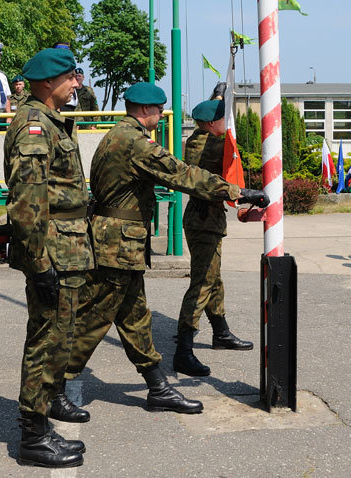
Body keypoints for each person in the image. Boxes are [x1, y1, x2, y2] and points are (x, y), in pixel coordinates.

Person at [61, 82, 269, 415]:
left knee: (135, 319)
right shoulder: (135, 143)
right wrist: (239, 192)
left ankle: (158, 387)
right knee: (94, 320)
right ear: (145, 110)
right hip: (117, 244)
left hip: (117, 242)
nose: (160, 116)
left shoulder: (115, 135)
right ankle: (52, 388)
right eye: (158, 110)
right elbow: (181, 174)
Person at [4, 47, 93, 468]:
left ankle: (46, 410)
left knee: (58, 337)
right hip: (52, 252)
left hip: (66, 247)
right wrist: (39, 264)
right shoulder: (35, 126)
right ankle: (33, 437)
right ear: (46, 83)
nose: (76, 83)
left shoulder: (51, 122)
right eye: (69, 78)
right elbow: (26, 203)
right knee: (46, 340)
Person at [173, 97, 252, 377]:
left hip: (207, 219)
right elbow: (222, 154)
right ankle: (183, 348)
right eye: (223, 119)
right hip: (203, 220)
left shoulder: (204, 138)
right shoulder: (204, 142)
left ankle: (221, 333)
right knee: (203, 281)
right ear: (209, 123)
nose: (227, 123)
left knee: (213, 279)